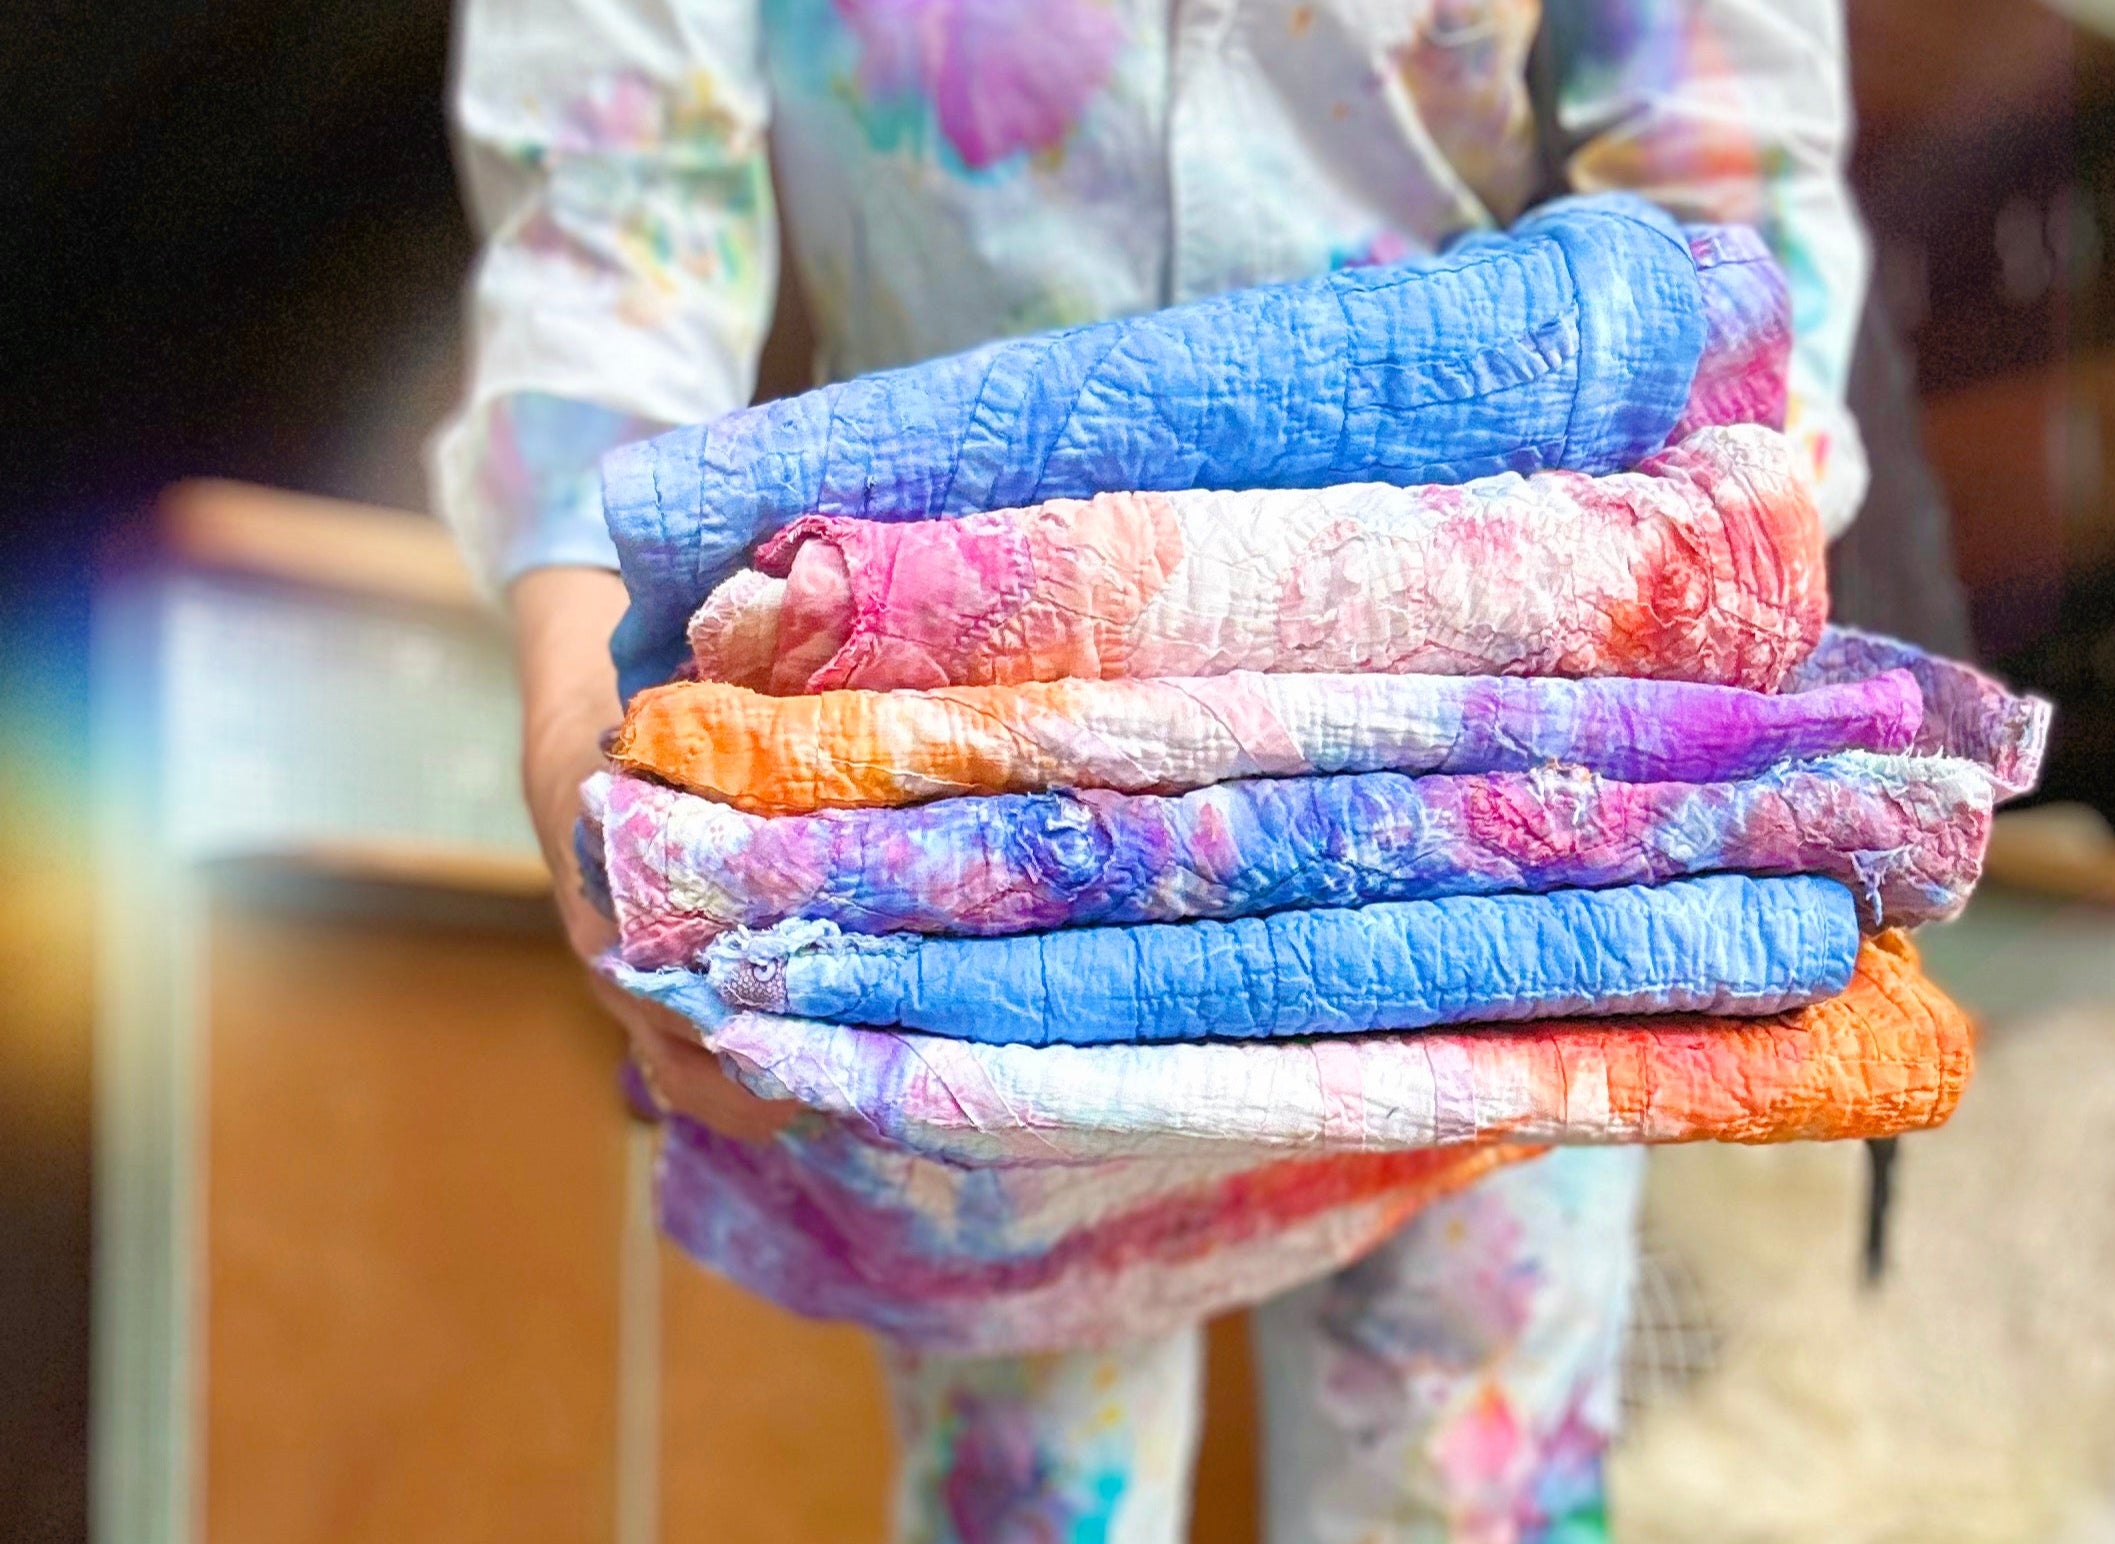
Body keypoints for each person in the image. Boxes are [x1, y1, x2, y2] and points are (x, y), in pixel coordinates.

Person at [432, 3, 1868, 1537]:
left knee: (1471, 1488)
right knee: (1040, 1506)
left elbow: (1725, 182)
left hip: (1503, 725)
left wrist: (1707, 565)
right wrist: (592, 729)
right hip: (962, 743)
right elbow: (615, 206)